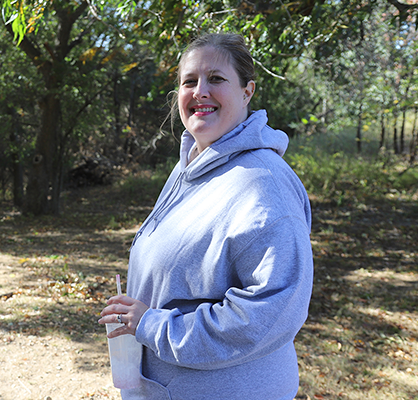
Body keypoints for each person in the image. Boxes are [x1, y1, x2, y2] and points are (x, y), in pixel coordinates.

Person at [98, 33, 313, 400]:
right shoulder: (192, 165)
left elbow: (269, 311)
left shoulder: (263, 184)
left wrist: (152, 325)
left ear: (247, 91)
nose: (200, 91)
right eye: (189, 81)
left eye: (216, 79)